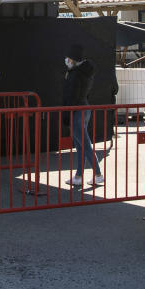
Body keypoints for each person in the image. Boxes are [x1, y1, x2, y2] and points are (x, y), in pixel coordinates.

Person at [62, 44, 103, 188]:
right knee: (80, 145)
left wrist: (67, 114)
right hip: (84, 108)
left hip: (77, 110)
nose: (65, 60)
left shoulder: (75, 75)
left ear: (72, 59)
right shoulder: (85, 72)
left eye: (67, 57)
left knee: (84, 145)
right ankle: (79, 176)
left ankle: (98, 174)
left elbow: (71, 96)